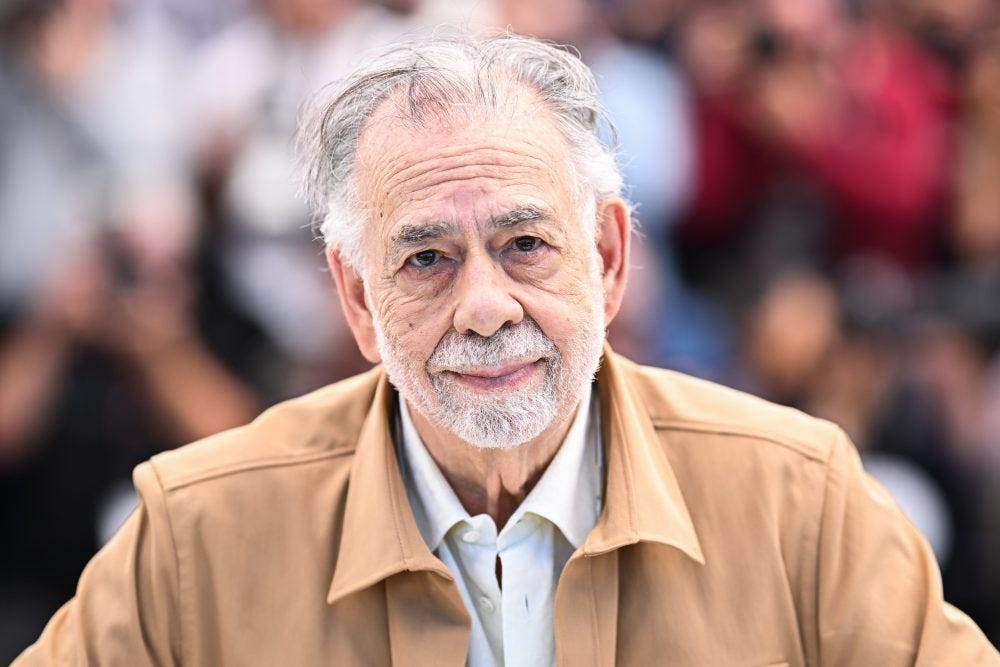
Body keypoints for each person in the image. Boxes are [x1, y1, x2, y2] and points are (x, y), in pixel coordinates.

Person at [15, 32, 999, 666]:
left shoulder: (802, 502)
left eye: (524, 244)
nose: (485, 307)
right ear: (358, 299)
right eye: (428, 259)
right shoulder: (198, 536)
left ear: (608, 259)